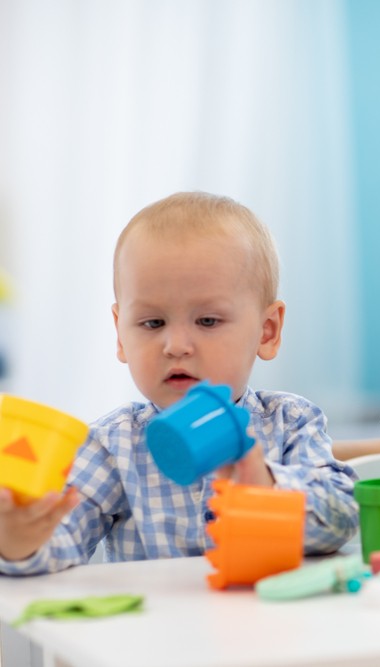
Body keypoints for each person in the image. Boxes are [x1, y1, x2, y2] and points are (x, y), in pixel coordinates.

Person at [0, 192, 359, 575]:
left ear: (266, 332)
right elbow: (60, 545)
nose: (176, 346)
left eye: (207, 321)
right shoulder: (111, 444)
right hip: (155, 632)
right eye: (153, 323)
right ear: (121, 336)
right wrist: (20, 542)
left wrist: (266, 486)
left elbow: (341, 521)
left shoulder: (291, 421)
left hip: (272, 627)